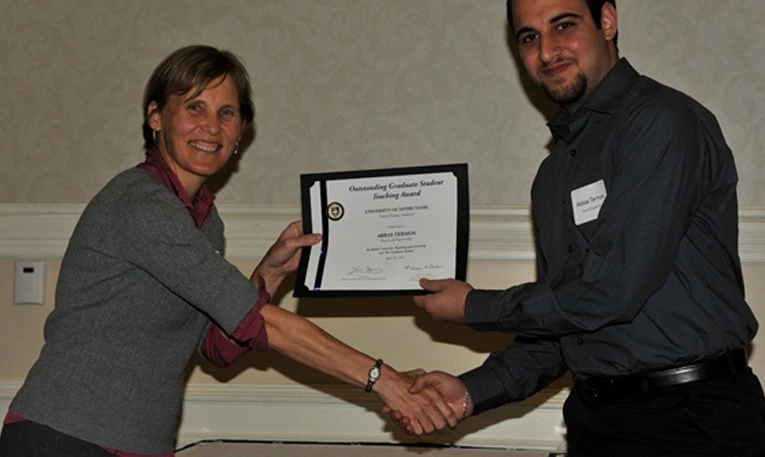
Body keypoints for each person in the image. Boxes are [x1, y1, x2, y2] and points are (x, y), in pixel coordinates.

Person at [397, 0, 765, 456]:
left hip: (694, 423)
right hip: (596, 423)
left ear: (607, 21)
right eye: (529, 36)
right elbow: (562, 323)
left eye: (564, 26)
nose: (547, 51)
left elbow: (612, 289)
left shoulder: (663, 124)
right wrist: (471, 391)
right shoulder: (553, 175)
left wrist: (475, 306)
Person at [0, 45, 457, 457]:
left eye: (227, 113)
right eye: (194, 107)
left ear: (241, 131)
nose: (211, 128)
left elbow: (215, 347)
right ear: (156, 116)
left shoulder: (205, 220)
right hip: (62, 434)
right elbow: (253, 322)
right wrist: (383, 379)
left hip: (138, 442)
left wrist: (269, 275)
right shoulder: (139, 202)